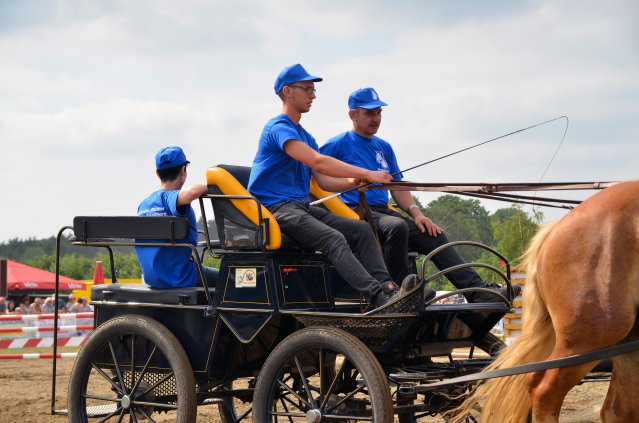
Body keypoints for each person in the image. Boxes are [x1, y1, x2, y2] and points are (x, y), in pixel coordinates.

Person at [320, 87, 521, 303]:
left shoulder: (384, 147)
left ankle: (477, 291)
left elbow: (398, 187)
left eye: (379, 113)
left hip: (383, 212)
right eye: (369, 113)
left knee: (432, 233)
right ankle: (400, 293)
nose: (376, 118)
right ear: (352, 114)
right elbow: (318, 180)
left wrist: (417, 214)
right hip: (353, 213)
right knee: (397, 227)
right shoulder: (336, 145)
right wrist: (351, 183)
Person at [247, 64, 420, 309]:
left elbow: (323, 181)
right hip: (275, 209)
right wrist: (366, 173)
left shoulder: (306, 136)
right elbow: (318, 162)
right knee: (334, 238)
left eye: (313, 90)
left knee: (362, 230)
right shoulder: (277, 128)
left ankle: (388, 289)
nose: (313, 95)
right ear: (287, 91)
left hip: (300, 207)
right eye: (307, 89)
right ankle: (376, 297)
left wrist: (354, 182)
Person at [136, 146, 219, 289]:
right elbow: (191, 193)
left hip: (152, 278)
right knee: (233, 277)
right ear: (183, 171)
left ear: (157, 173)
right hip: (180, 276)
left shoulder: (144, 205)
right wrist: (215, 187)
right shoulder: (169, 198)